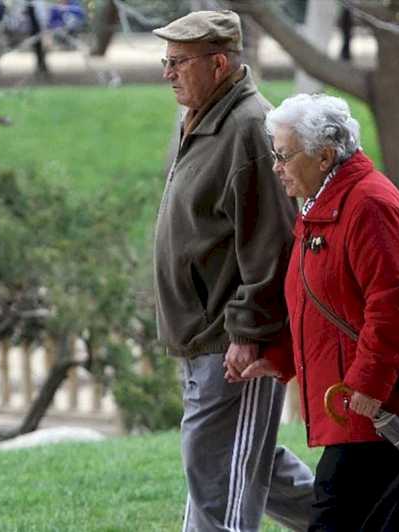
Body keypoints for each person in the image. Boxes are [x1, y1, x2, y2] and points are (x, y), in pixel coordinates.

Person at [241, 93, 399, 531]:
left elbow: (395, 303)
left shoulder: (368, 205)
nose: (275, 165)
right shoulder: (324, 203)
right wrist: (277, 355)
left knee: (337, 514)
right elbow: (316, 298)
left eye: (283, 154)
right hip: (369, 399)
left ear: (325, 155)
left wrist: (369, 384)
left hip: (379, 401)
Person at [152, 10, 315, 532]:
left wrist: (249, 333)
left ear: (218, 63)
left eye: (179, 62)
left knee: (218, 472)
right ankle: (361, 520)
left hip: (232, 344)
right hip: (204, 337)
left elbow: (272, 243)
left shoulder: (248, 127)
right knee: (248, 461)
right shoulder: (201, 118)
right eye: (166, 61)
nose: (167, 73)